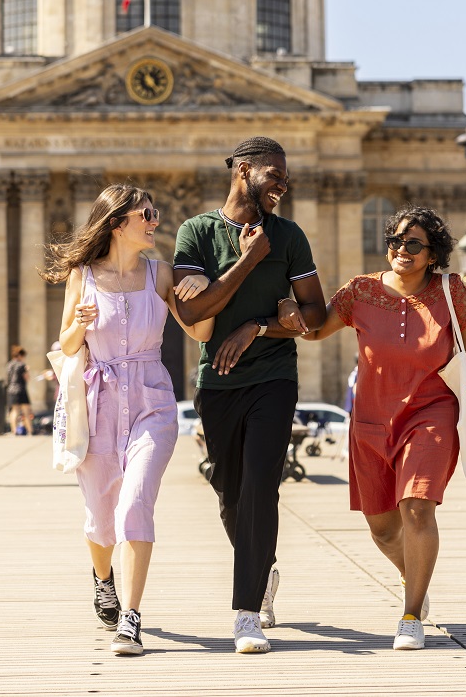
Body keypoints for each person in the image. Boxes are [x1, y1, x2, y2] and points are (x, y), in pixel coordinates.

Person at [279, 204, 466, 652]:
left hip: (431, 413)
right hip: (370, 421)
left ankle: (411, 613)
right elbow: (316, 330)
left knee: (417, 507)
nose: (401, 249)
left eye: (413, 243)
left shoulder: (450, 291)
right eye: (396, 241)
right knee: (381, 528)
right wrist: (284, 307)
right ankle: (413, 575)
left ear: (433, 252)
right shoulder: (361, 291)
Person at [40, 183, 214, 656]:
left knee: (135, 502)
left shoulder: (161, 276)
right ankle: (103, 578)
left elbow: (199, 330)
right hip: (97, 406)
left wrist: (201, 291)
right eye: (147, 214)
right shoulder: (83, 275)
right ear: (118, 224)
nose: (155, 220)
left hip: (152, 401)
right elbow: (68, 344)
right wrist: (79, 320)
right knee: (100, 520)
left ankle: (131, 619)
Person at [173, 136, 326, 654]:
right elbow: (193, 314)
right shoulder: (196, 232)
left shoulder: (289, 236)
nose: (282, 184)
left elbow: (315, 316)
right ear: (243, 171)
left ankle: (246, 613)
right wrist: (247, 261)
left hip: (274, 378)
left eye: (286, 177)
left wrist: (258, 327)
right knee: (229, 496)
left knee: (263, 485)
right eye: (273, 175)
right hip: (217, 384)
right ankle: (262, 568)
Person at [6, 347, 34, 435]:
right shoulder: (22, 365)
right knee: (26, 411)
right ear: (21, 355)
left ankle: (14, 431)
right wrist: (27, 370)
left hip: (11, 390)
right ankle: (30, 431)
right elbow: (27, 378)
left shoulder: (9, 365)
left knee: (14, 411)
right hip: (21, 389)